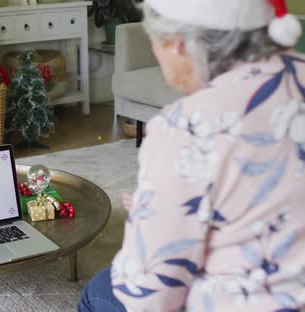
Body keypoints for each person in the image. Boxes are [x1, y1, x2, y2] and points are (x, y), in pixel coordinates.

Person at [79, 0, 305, 311]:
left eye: (155, 42)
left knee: (101, 290)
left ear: (180, 44)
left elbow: (149, 295)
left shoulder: (187, 126)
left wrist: (149, 224)